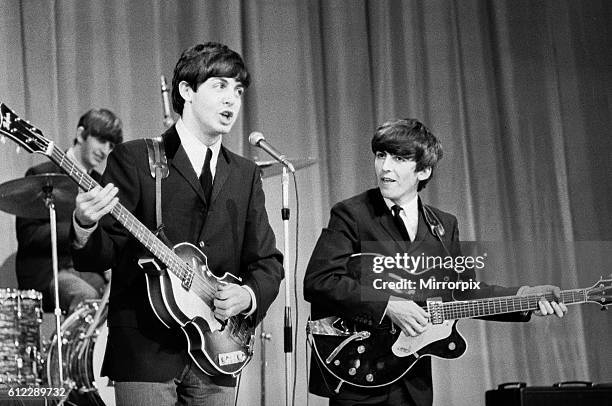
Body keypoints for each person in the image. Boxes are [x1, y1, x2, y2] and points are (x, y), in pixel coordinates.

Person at [70, 42, 284, 406]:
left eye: (238, 90)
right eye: (220, 86)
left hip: (217, 351)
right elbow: (102, 253)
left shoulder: (245, 174)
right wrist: (84, 223)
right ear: (186, 91)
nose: (232, 99)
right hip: (145, 350)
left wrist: (247, 295)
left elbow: (267, 262)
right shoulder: (136, 157)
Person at [303, 118, 567, 406]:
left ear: (424, 170)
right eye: (381, 155)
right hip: (360, 371)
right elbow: (319, 281)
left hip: (413, 380)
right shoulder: (351, 214)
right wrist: (387, 305)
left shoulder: (444, 225)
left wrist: (524, 297)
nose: (385, 167)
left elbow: (464, 292)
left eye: (400, 158)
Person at [15, 108, 123, 314]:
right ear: (81, 134)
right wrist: (78, 228)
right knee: (87, 298)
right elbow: (30, 236)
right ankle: (78, 348)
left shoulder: (101, 183)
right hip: (50, 272)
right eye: (101, 140)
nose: (105, 150)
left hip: (88, 270)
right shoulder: (40, 174)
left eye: (111, 145)